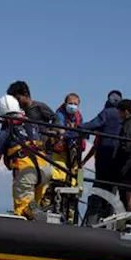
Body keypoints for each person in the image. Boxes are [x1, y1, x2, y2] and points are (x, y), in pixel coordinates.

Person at [0, 93, 53, 218]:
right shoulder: (31, 124)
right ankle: (35, 212)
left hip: (26, 170)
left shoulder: (5, 131)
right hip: (45, 168)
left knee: (22, 209)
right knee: (34, 208)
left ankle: (30, 210)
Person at [81, 90, 125, 224]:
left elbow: (94, 124)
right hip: (118, 161)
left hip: (104, 159)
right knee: (112, 192)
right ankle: (108, 221)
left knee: (99, 190)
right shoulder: (124, 117)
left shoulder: (108, 113)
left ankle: (92, 221)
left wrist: (77, 128)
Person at [52, 92, 86, 223]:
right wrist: (68, 133)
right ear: (65, 103)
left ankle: (72, 218)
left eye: (75, 104)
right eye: (70, 103)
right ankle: (55, 211)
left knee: (77, 182)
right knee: (57, 180)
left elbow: (82, 131)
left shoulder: (79, 117)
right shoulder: (59, 115)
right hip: (60, 154)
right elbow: (60, 130)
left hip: (74, 154)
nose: (73, 106)